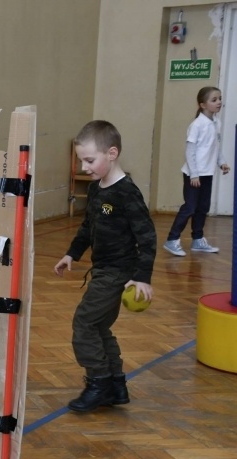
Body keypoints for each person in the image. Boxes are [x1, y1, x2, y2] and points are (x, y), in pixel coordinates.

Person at [54, 121, 157, 413]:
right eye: (81, 161)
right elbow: (88, 226)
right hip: (102, 270)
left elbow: (147, 237)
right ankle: (115, 385)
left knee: (84, 323)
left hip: (117, 273)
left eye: (89, 160)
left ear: (112, 153)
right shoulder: (97, 190)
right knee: (99, 326)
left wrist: (142, 277)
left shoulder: (127, 193)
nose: (84, 167)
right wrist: (72, 253)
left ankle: (98, 383)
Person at [164, 86, 231, 256]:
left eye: (220, 98)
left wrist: (222, 162)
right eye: (214, 100)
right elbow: (190, 151)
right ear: (202, 104)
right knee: (190, 207)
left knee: (203, 207)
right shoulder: (197, 125)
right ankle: (172, 240)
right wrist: (194, 174)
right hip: (194, 175)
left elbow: (214, 147)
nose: (219, 102)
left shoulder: (216, 122)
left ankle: (198, 240)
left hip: (207, 174)